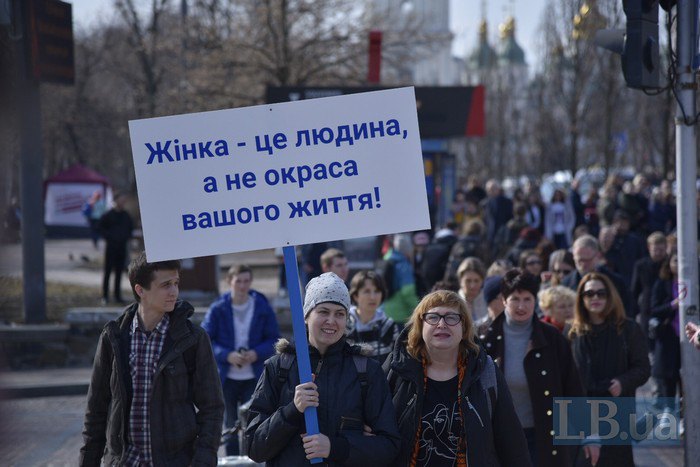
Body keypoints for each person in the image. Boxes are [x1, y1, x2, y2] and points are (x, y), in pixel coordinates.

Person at [80, 252, 224, 466]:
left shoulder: (192, 339)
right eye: (166, 285)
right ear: (140, 290)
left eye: (176, 283)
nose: (174, 291)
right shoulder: (114, 337)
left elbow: (212, 408)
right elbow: (96, 412)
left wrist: (202, 461)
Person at [245, 272, 401, 466]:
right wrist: (293, 410)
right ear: (306, 316)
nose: (331, 321)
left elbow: (389, 446)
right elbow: (254, 448)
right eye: (323, 312)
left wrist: (335, 447)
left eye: (340, 314)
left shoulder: (367, 371)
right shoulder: (279, 367)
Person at [384, 290, 531, 466]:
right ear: (420, 325)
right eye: (433, 317)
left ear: (464, 328)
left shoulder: (485, 371)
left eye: (452, 318)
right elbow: (373, 431)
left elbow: (511, 441)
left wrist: (566, 441)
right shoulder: (397, 368)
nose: (442, 324)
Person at [479, 269, 587, 467]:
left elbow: (572, 386)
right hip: (498, 437)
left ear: (535, 300)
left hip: (542, 436)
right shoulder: (485, 340)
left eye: (527, 299)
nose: (521, 306)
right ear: (504, 300)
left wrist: (589, 434)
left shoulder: (553, 338)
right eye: (515, 299)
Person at [568, 272, 650, 467]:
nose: (595, 298)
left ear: (610, 296)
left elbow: (643, 368)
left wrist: (624, 381)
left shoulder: (628, 329)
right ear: (581, 299)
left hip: (616, 412)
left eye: (601, 293)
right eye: (589, 294)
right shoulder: (572, 332)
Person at [201, 264, 280, 456]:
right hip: (227, 376)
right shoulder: (218, 308)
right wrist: (227, 355)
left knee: (252, 422)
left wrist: (256, 353)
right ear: (229, 282)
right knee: (229, 423)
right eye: (238, 281)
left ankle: (250, 458)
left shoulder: (261, 306)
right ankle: (233, 458)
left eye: (246, 281)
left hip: (254, 376)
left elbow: (274, 338)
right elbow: (205, 339)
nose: (243, 286)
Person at [561, 235, 632, 317]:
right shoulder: (566, 284)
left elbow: (625, 311)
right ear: (573, 257)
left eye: (588, 260)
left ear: (598, 256)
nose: (583, 264)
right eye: (579, 260)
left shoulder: (616, 282)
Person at [345, 270, 403, 363]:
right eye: (367, 291)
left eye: (377, 291)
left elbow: (396, 360)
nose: (373, 297)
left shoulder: (389, 326)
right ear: (355, 295)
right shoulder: (344, 324)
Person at [649, 253, 682, 412]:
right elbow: (654, 309)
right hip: (669, 335)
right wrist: (672, 305)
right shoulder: (662, 284)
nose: (679, 264)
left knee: (687, 376)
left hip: (689, 336)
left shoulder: (693, 282)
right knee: (668, 376)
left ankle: (685, 411)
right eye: (676, 260)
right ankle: (668, 410)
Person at [630, 231, 667, 345]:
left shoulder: (668, 265)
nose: (658, 253)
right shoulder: (641, 265)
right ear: (649, 248)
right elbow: (635, 290)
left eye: (661, 250)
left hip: (665, 305)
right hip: (646, 307)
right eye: (655, 250)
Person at [99, 193, 134, 304]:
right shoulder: (108, 215)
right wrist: (110, 237)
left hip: (121, 247)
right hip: (111, 247)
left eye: (124, 200)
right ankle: (105, 296)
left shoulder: (126, 215)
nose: (122, 202)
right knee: (108, 271)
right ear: (116, 200)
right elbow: (100, 228)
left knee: (119, 272)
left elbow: (130, 228)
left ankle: (117, 296)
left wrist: (125, 237)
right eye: (121, 200)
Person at [382, 234, 420, 324]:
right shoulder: (404, 265)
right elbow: (407, 292)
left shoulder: (387, 258)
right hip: (400, 313)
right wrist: (419, 308)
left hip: (385, 311)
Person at [456, 257, 487, 322]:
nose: (472, 286)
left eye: (476, 281)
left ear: (482, 281)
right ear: (460, 281)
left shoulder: (489, 301)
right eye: (468, 281)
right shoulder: (453, 302)